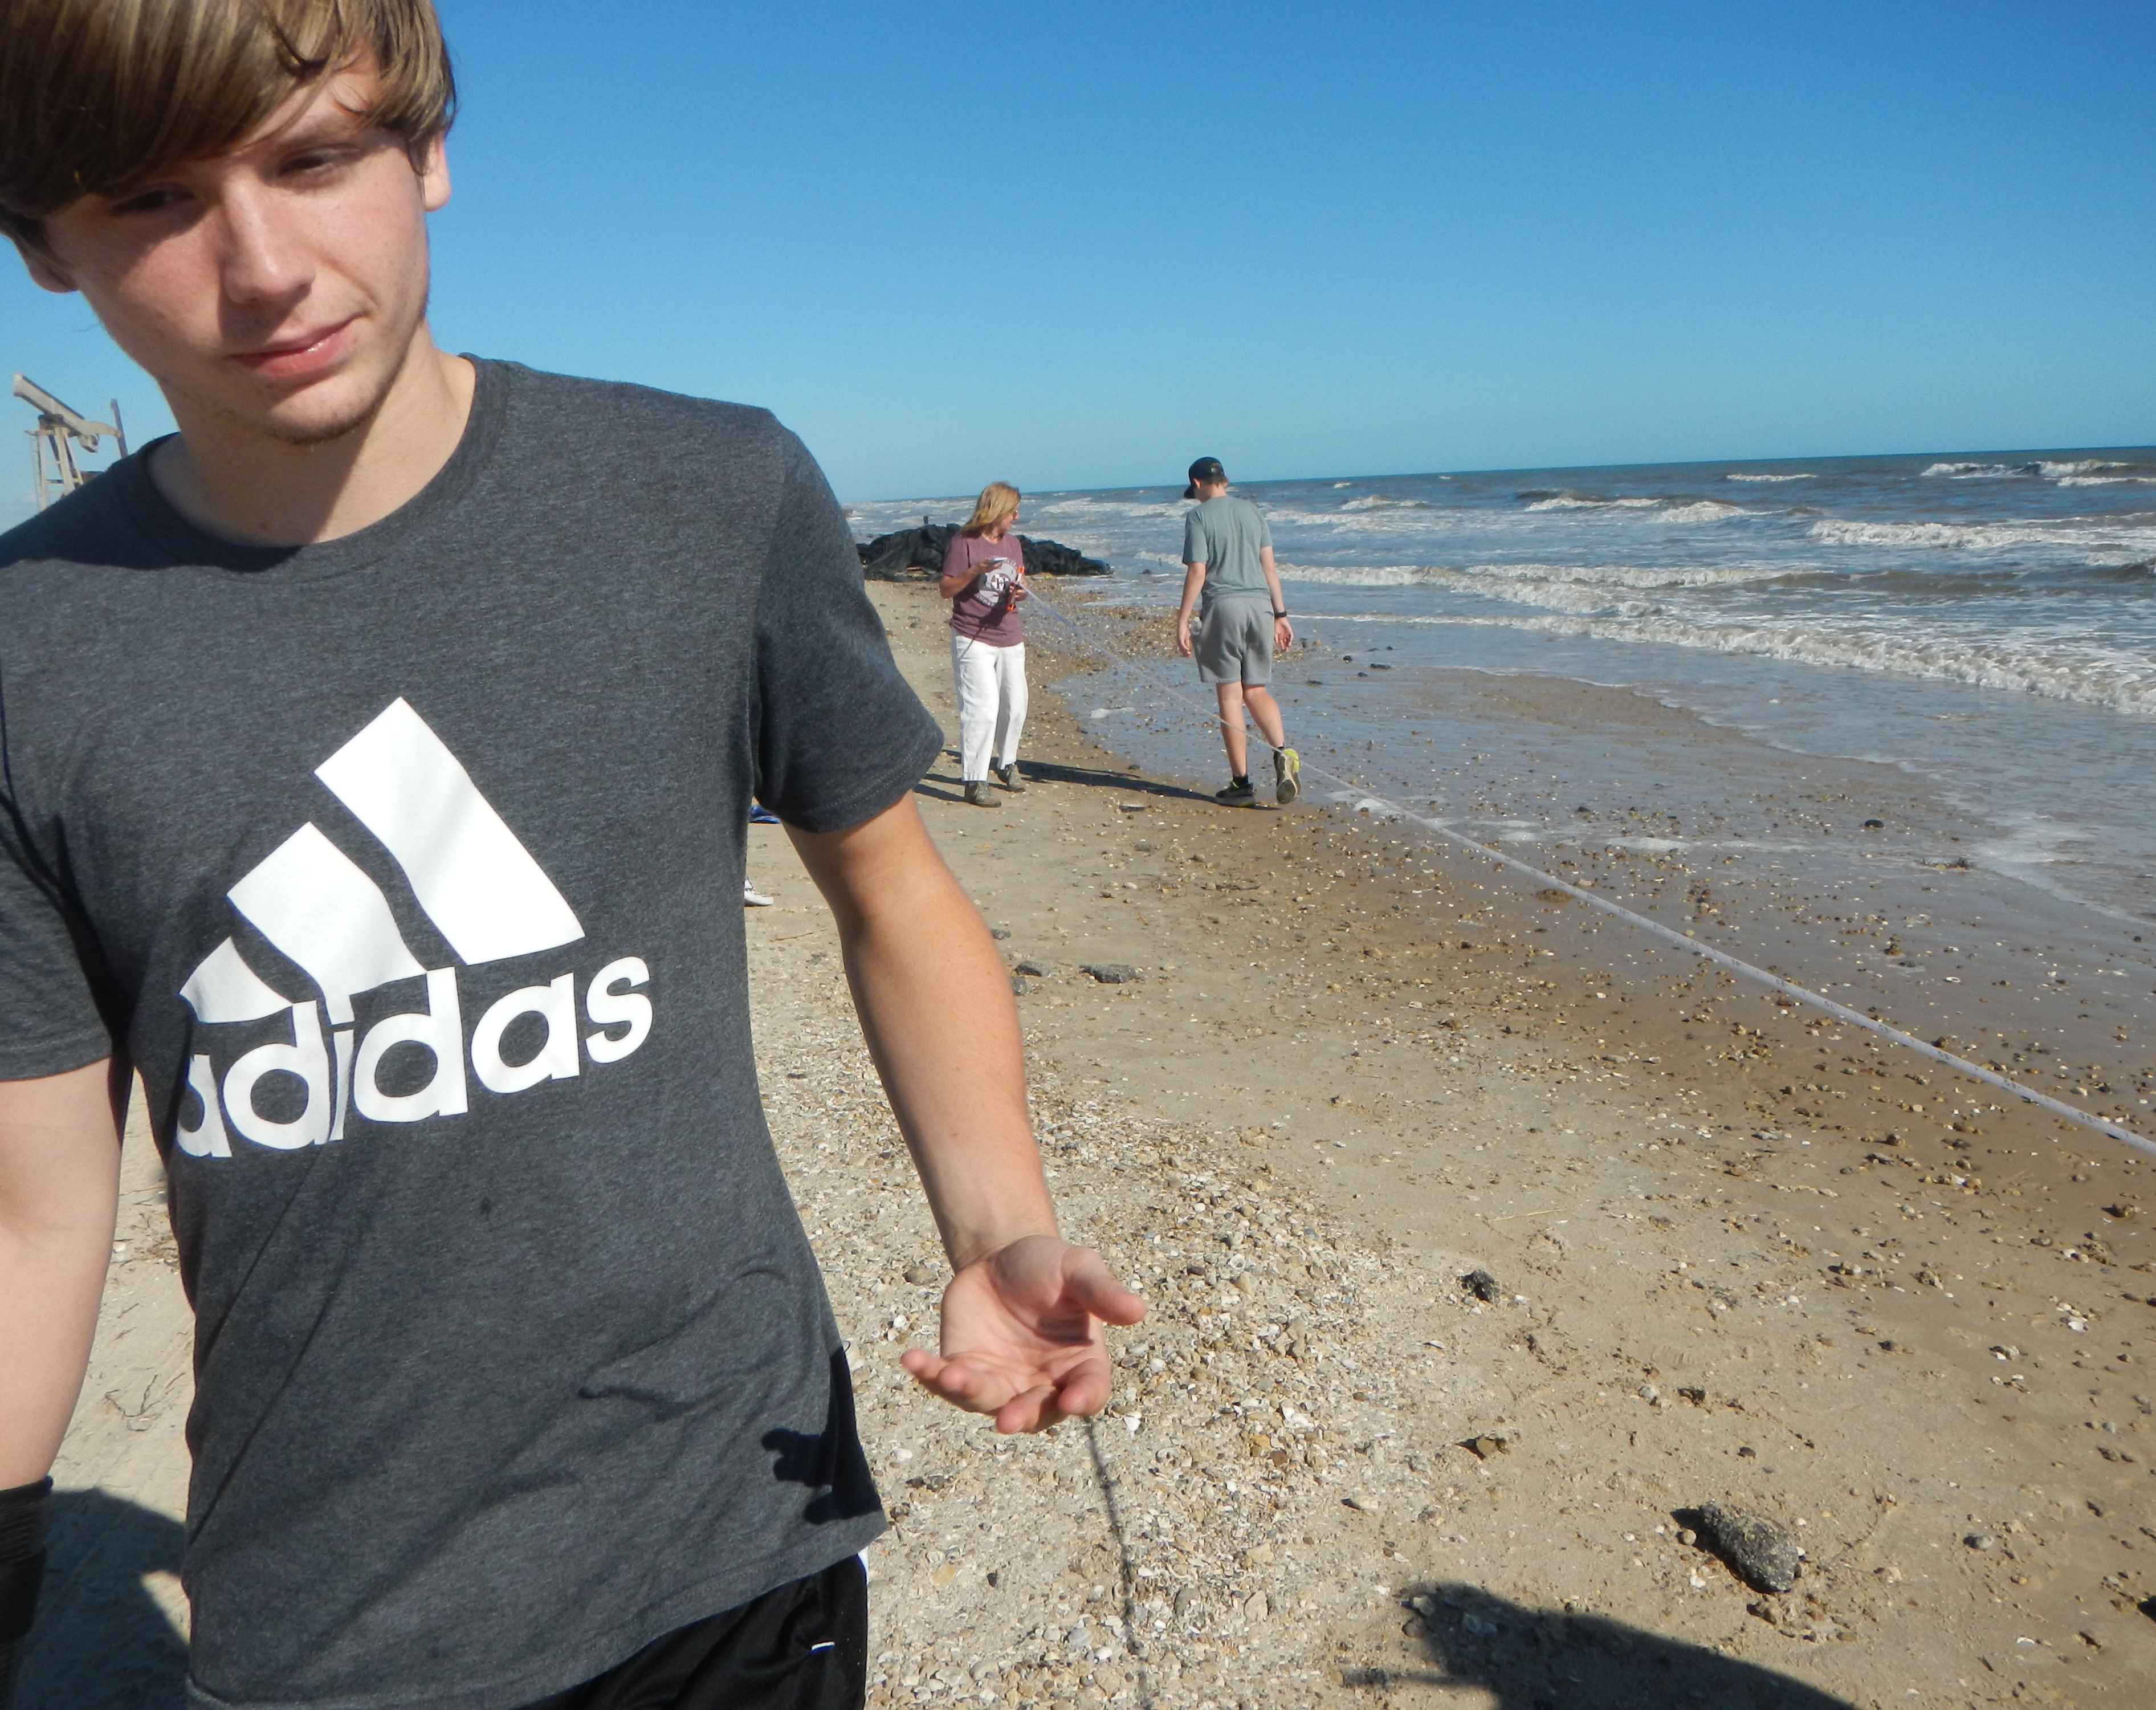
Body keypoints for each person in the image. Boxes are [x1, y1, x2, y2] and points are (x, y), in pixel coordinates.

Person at [0, 6, 1143, 1709]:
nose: (265, 269)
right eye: (156, 201)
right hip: (327, 1605)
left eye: (315, 159)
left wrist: (996, 1227)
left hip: (728, 1522)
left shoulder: (708, 496)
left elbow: (892, 888)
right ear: (42, 244)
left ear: (427, 149)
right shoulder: (31, 653)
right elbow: (30, 1207)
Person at [1172, 457, 1301, 807]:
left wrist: (1182, 620)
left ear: (1197, 484)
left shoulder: (1198, 516)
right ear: (1224, 481)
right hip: (1261, 607)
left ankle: (1241, 785)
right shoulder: (1253, 512)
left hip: (1224, 607)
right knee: (1256, 690)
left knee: (1230, 696)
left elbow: (1198, 571)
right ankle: (1283, 753)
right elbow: (1269, 567)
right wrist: (1281, 615)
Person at [938, 482, 1030, 807]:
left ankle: (1007, 763)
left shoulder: (1013, 544)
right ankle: (975, 780)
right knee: (983, 709)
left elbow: (1020, 582)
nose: (1016, 517)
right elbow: (946, 590)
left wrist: (1020, 592)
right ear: (997, 510)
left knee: (1016, 706)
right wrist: (975, 571)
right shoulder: (963, 543)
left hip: (1009, 635)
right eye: (1013, 511)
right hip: (972, 636)